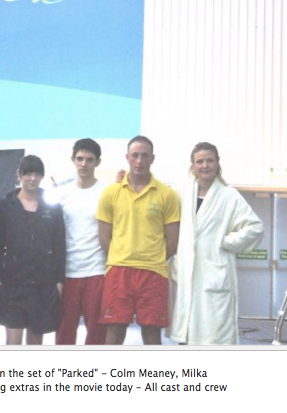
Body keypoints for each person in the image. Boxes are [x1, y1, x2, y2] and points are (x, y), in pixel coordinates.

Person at [168, 142, 264, 345]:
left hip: (214, 274)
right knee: (186, 335)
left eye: (209, 160)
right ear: (192, 165)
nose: (205, 165)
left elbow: (255, 227)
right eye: (200, 161)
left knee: (214, 336)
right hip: (185, 273)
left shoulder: (229, 196)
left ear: (218, 163)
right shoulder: (180, 192)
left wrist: (227, 242)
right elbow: (158, 200)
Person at [96, 135, 180, 345]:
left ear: (152, 158)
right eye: (135, 155)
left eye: (144, 156)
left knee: (152, 333)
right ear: (127, 157)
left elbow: (172, 240)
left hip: (154, 273)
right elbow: (104, 236)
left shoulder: (167, 195)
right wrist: (120, 256)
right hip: (119, 271)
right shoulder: (110, 193)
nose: (139, 161)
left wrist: (153, 259)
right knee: (114, 331)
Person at [0, 155, 66, 345]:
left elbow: (59, 246)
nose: (32, 178)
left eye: (37, 174)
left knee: (35, 342)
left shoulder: (52, 207)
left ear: (42, 176)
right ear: (19, 175)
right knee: (13, 342)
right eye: (28, 173)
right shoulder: (5, 206)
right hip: (13, 285)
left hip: (43, 286)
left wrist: (59, 281)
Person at [55, 138, 107, 345]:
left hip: (97, 270)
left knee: (97, 332)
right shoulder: (61, 194)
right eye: (80, 159)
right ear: (73, 160)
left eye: (89, 159)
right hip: (68, 272)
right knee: (64, 332)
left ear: (98, 162)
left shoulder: (107, 192)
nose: (84, 164)